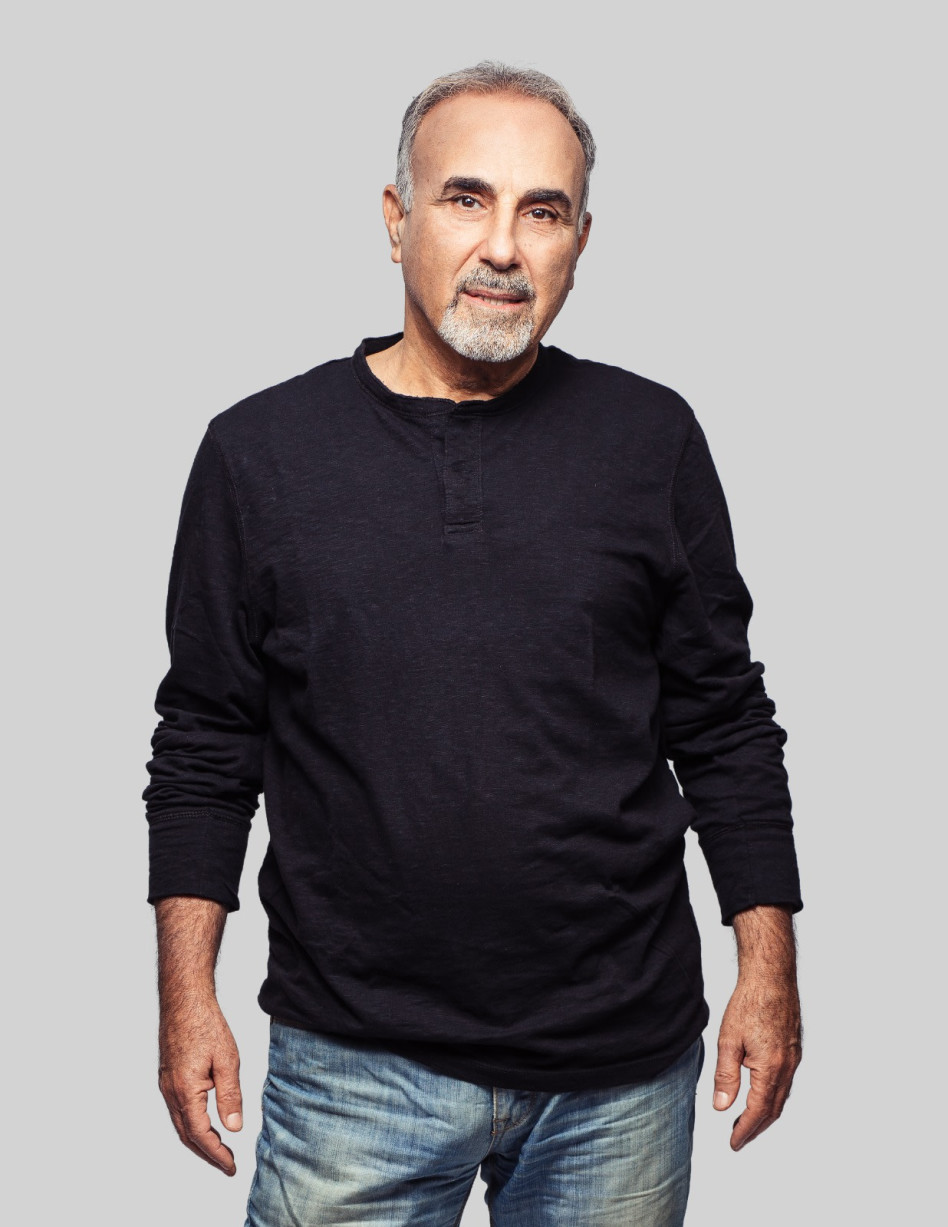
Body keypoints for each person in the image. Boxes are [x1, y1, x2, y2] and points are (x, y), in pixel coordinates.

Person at [145, 61, 803, 1226]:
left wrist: (769, 966)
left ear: (579, 243)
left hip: (619, 1074)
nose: (503, 246)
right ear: (396, 219)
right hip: (353, 1067)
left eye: (542, 212)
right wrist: (186, 999)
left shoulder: (651, 440)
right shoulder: (260, 455)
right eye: (467, 199)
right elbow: (206, 738)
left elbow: (723, 719)